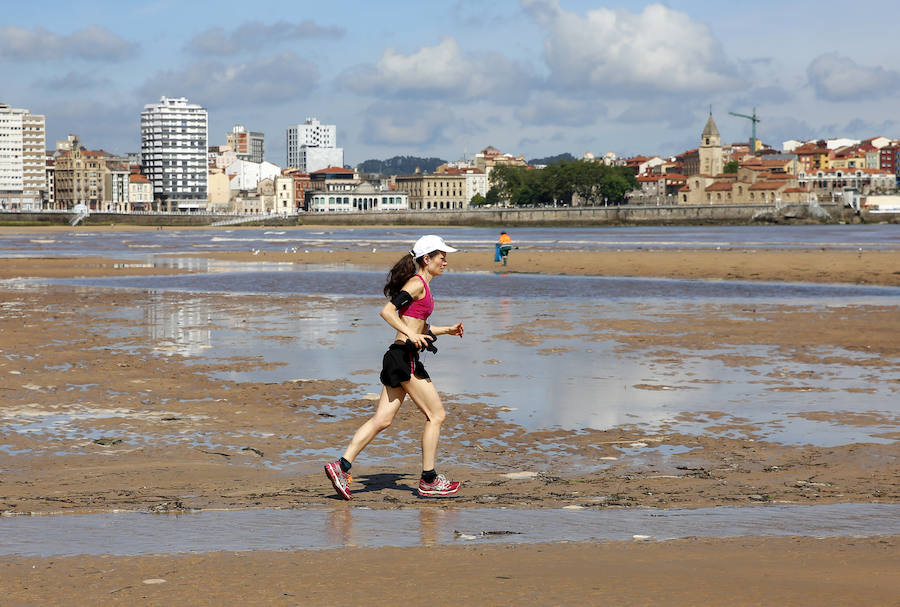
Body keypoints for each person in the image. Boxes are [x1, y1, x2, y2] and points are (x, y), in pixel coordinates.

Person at [325, 235, 464, 500]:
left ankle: (341, 467)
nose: (445, 261)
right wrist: (411, 336)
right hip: (404, 358)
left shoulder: (422, 286)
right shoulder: (416, 284)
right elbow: (387, 312)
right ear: (427, 259)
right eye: (441, 256)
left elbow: (417, 327)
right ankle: (429, 480)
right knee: (437, 415)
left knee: (382, 420)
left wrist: (446, 330)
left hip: (398, 356)